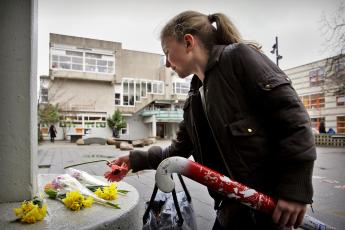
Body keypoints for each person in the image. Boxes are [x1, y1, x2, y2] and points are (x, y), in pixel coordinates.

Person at [109, 11, 316, 230]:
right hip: (231, 211)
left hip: (268, 211)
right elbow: (177, 151)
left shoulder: (239, 58)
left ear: (188, 42)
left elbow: (294, 120)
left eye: (167, 53)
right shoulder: (195, 93)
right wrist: (133, 160)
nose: (167, 64)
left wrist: (295, 189)